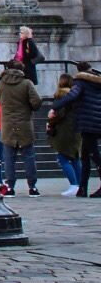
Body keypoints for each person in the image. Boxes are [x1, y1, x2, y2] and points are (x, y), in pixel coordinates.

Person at [0, 55, 42, 195]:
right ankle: (32, 187)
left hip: (7, 124)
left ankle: (10, 186)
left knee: (9, 158)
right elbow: (37, 102)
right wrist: (28, 107)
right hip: (24, 123)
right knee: (29, 156)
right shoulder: (26, 83)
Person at [49, 60, 101, 198]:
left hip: (88, 122)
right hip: (97, 120)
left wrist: (55, 106)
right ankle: (82, 188)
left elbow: (72, 96)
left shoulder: (81, 82)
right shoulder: (97, 81)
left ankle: (87, 188)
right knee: (85, 156)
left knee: (95, 155)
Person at [47, 73, 82, 195]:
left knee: (63, 157)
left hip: (64, 131)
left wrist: (51, 120)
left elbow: (59, 114)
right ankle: (80, 184)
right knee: (75, 157)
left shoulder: (61, 95)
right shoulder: (76, 95)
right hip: (76, 129)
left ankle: (74, 184)